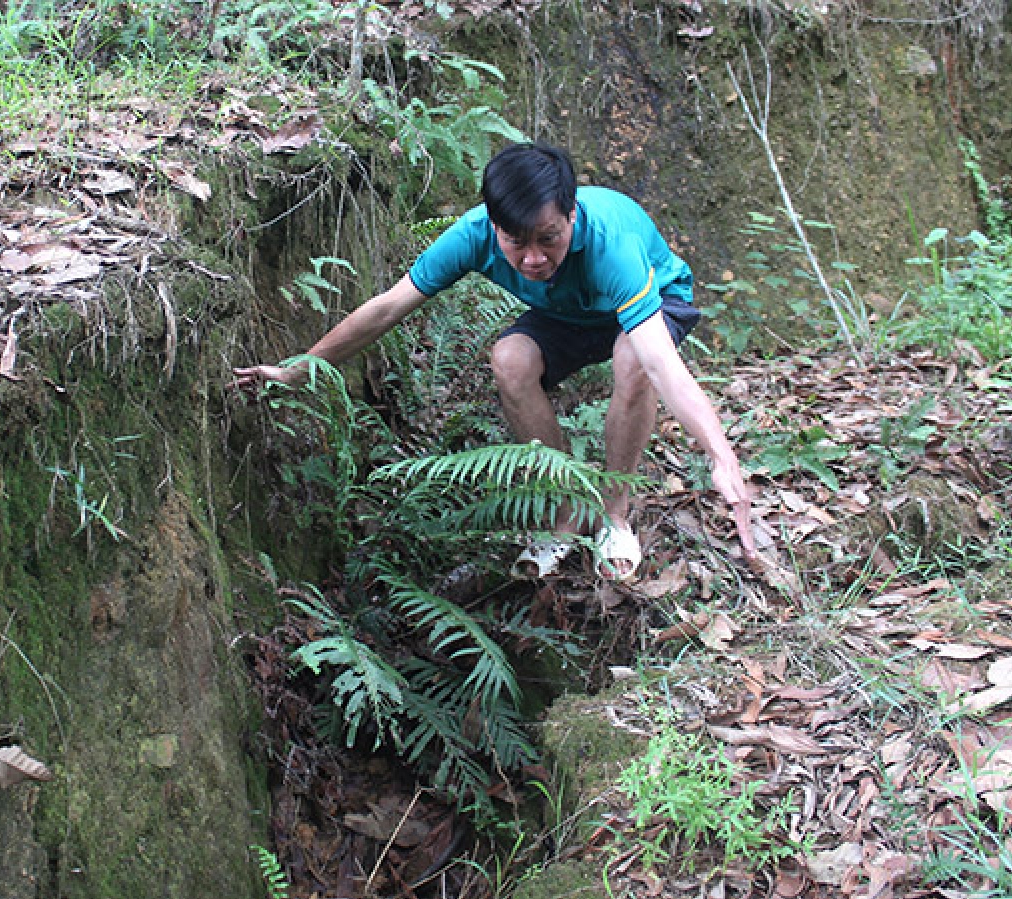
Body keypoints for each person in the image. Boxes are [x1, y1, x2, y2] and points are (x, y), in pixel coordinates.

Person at [232, 142, 760, 580]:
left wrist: (719, 453)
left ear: (571, 216)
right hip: (567, 314)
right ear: (494, 224)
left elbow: (662, 362)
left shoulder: (611, 247)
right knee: (509, 359)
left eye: (549, 240)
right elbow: (389, 306)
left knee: (634, 362)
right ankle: (566, 508)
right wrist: (300, 367)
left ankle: (614, 514)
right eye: (516, 243)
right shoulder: (473, 235)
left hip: (650, 302)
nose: (532, 258)